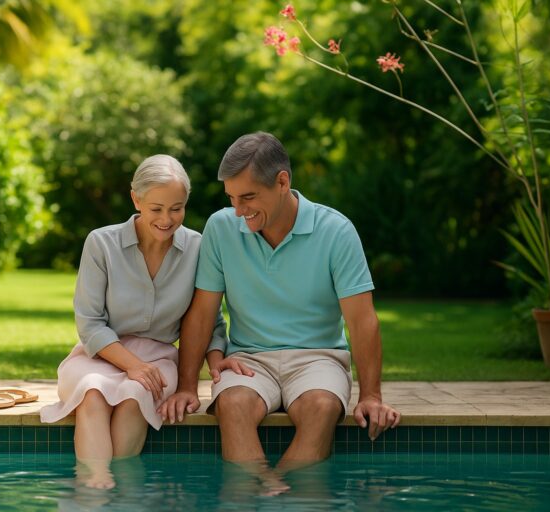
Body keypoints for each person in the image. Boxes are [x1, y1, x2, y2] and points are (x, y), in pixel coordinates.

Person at [159, 132, 400, 485]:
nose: (239, 211)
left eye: (248, 197)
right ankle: (267, 491)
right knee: (233, 405)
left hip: (319, 358)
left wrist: (371, 396)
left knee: (321, 408)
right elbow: (202, 313)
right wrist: (185, 386)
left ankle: (278, 494)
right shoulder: (221, 228)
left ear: (283, 182)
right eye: (232, 198)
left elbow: (362, 321)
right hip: (249, 359)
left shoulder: (336, 231)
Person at [40, 154, 225, 489]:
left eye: (177, 208)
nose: (167, 219)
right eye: (156, 208)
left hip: (160, 360)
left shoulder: (199, 248)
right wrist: (132, 365)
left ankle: (122, 492)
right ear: (135, 199)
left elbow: (210, 323)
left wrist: (217, 367)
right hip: (99, 356)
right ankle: (96, 485)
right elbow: (90, 323)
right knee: (93, 393)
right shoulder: (101, 243)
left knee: (134, 396)